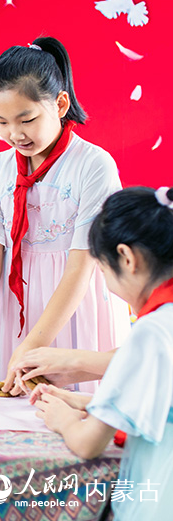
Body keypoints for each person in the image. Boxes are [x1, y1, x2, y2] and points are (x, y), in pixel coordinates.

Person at [0, 36, 129, 394]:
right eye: (1, 121)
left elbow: (82, 264)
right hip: (14, 308)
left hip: (73, 307)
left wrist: (35, 344)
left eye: (27, 119)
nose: (14, 134)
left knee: (72, 413)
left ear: (61, 103)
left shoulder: (93, 165)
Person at [32, 186, 173, 521]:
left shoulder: (151, 331)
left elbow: (87, 443)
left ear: (127, 258)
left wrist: (64, 420)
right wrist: (80, 402)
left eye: (104, 271)